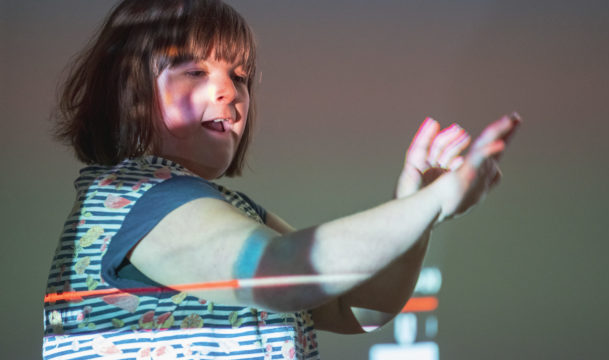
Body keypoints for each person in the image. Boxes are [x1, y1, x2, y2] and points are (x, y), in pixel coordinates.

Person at [42, 1, 520, 359]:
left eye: (241, 77)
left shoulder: (230, 208)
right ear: (129, 94)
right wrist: (435, 200)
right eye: (194, 70)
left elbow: (358, 309)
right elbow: (284, 271)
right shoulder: (128, 198)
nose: (229, 91)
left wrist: (416, 206)